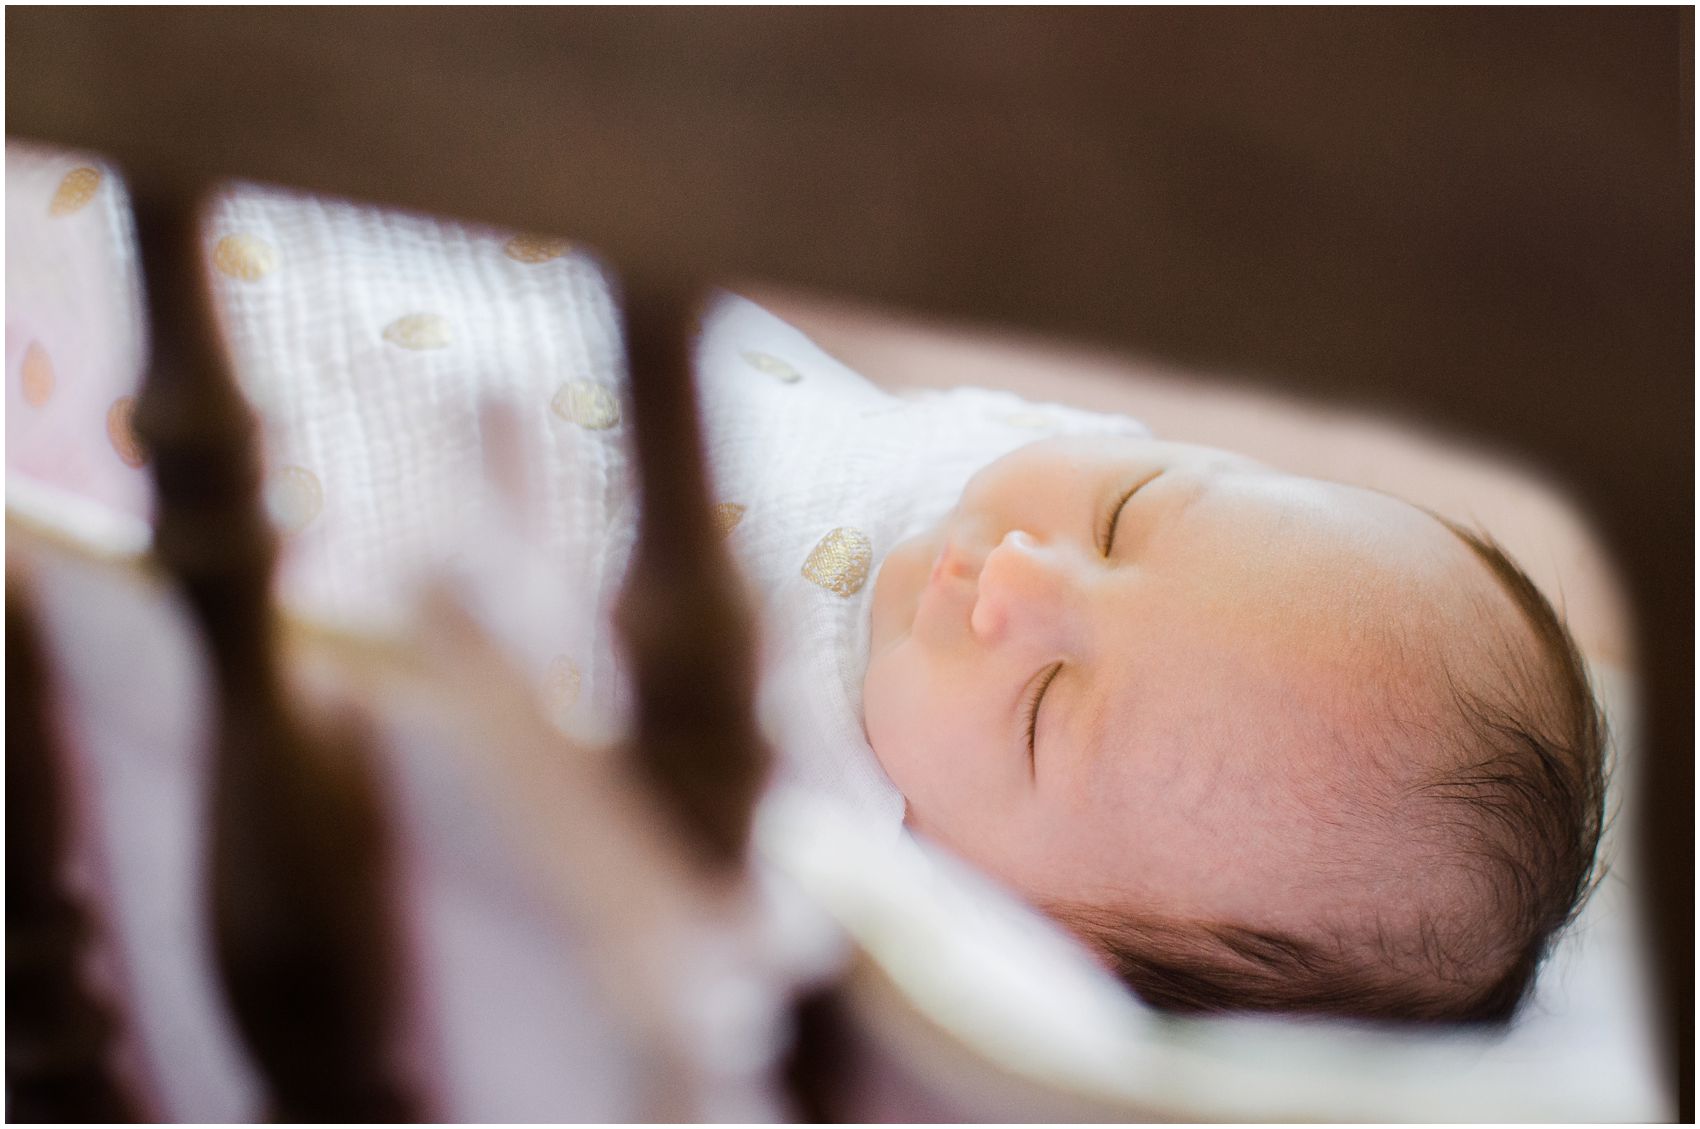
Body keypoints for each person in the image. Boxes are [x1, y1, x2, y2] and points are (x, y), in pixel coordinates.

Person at [863, 433, 1605, 1022]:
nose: (1018, 570)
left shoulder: (828, 844)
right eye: (1123, 512)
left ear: (1026, 938)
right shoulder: (998, 442)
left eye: (1043, 707)